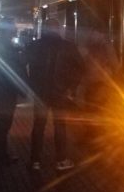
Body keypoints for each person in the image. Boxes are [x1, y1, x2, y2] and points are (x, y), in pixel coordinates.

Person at [27, 18, 84, 173]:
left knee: (38, 126)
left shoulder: (35, 46)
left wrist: (31, 85)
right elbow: (80, 68)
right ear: (58, 29)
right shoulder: (68, 46)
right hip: (60, 93)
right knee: (60, 126)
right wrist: (71, 88)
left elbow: (22, 64)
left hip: (40, 93)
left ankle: (35, 161)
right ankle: (61, 160)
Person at [0, 17, 26, 165]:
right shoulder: (10, 48)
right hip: (6, 91)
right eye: (14, 27)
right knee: (3, 124)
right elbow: (16, 71)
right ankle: (0, 156)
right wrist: (23, 90)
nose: (16, 29)